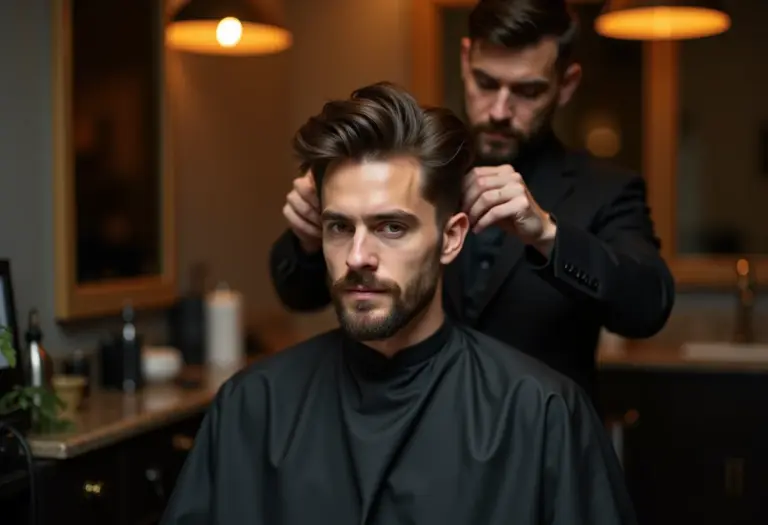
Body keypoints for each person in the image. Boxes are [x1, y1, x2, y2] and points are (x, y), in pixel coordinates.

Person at [161, 82, 637, 525]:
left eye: (392, 227)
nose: (357, 258)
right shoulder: (253, 407)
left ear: (451, 239)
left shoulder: (542, 413)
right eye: (339, 227)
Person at [268, 0, 675, 399]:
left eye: (527, 91)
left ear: (566, 85)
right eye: (485, 83)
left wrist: (548, 235)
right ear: (466, 60)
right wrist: (308, 238)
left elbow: (647, 308)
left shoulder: (604, 190)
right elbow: (300, 296)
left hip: (541, 440)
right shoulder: (417, 171)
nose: (499, 110)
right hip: (411, 429)